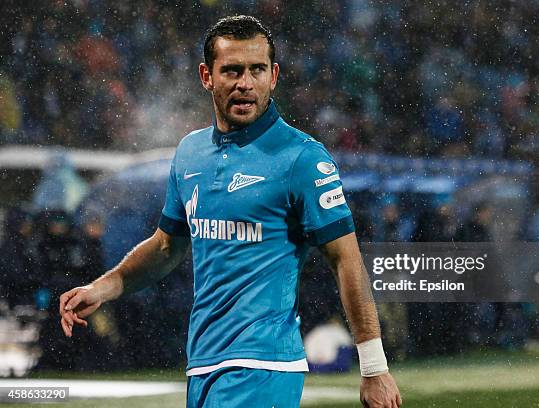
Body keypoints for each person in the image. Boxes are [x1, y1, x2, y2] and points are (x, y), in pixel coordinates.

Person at [59, 15, 401, 408]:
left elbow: (346, 258)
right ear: (207, 76)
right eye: (232, 70)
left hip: (263, 365)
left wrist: (374, 367)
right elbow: (167, 246)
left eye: (257, 70)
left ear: (273, 76)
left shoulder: (302, 159)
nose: (245, 83)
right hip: (203, 365)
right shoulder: (188, 153)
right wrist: (102, 287)